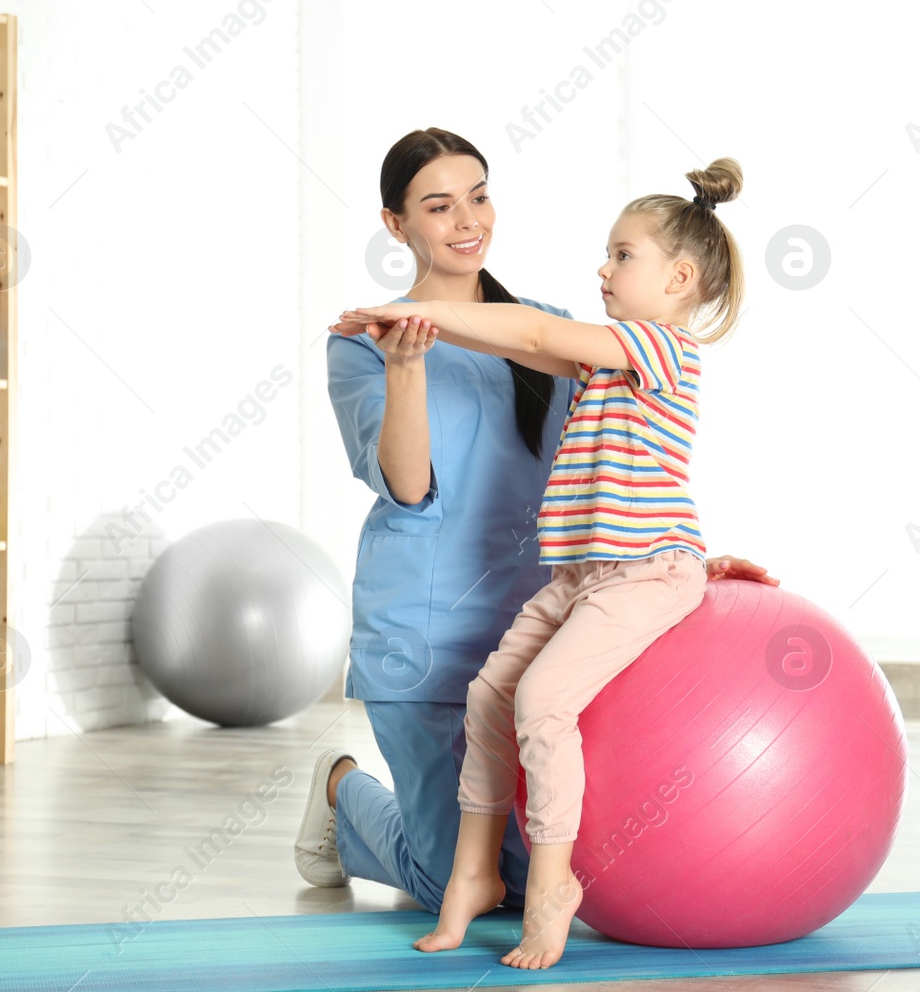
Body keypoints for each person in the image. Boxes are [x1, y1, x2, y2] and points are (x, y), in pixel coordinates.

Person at [294, 128, 775, 919]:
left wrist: (680, 557)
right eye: (438, 205)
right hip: (421, 636)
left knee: (537, 868)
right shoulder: (363, 344)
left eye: (478, 196)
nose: (466, 219)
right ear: (396, 225)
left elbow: (624, 459)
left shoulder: (553, 330)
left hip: (541, 623)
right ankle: (347, 796)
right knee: (457, 879)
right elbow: (409, 485)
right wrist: (408, 358)